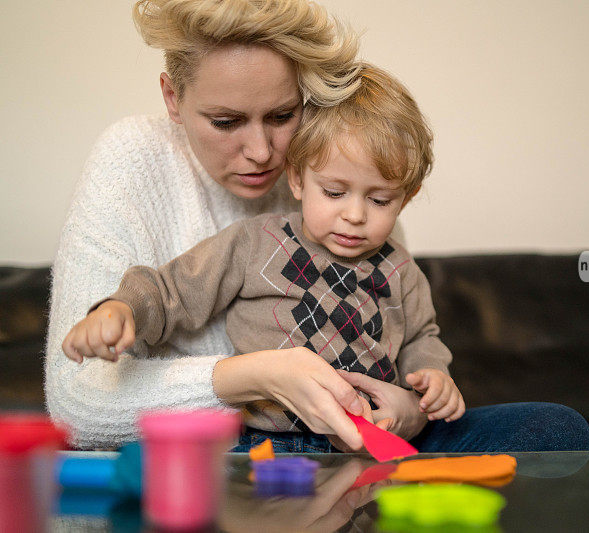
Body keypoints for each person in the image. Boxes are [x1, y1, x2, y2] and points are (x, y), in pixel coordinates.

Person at [46, 0, 589, 452]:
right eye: (225, 121)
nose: (262, 152)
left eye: (284, 116)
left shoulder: (343, 176)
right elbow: (82, 400)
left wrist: (410, 405)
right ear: (173, 97)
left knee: (556, 429)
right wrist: (259, 376)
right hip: (247, 448)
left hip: (370, 439)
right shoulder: (140, 163)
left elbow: (409, 336)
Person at [61, 65, 467, 451]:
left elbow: (420, 337)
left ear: (405, 198)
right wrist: (122, 307)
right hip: (265, 442)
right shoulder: (256, 243)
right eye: (334, 192)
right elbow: (174, 290)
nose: (355, 215)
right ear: (297, 178)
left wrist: (430, 383)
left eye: (380, 200)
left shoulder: (401, 271)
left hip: (367, 442)